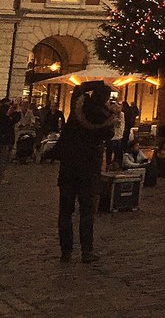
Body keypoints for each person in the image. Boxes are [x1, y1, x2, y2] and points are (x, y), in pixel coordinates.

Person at [55, 81, 118, 263]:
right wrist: (113, 113)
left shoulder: (77, 107)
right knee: (87, 212)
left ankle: (66, 252)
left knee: (65, 212)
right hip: (89, 170)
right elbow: (109, 134)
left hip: (68, 166)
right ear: (105, 99)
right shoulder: (104, 117)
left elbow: (79, 88)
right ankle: (86, 251)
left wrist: (98, 83)